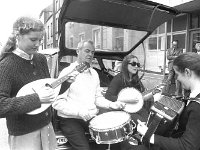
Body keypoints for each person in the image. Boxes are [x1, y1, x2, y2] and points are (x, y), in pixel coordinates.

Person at [52, 40, 125, 150]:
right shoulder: (67, 72)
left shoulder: (94, 74)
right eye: (87, 51)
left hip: (90, 117)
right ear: (78, 51)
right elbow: (57, 102)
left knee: (109, 142)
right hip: (70, 120)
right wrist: (79, 112)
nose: (90, 54)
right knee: (84, 148)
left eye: (92, 52)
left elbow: (97, 98)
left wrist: (111, 105)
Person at [0, 16, 57, 150]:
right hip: (24, 134)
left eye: (40, 40)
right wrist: (36, 99)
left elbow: (48, 89)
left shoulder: (41, 59)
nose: (37, 44)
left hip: (47, 128)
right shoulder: (6, 65)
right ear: (18, 36)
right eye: (33, 39)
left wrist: (68, 82)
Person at [128, 52, 200, 150]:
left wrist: (148, 134)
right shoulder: (194, 95)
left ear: (187, 72)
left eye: (177, 74)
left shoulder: (197, 106)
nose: (177, 78)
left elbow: (187, 146)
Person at [105, 54, 161, 150]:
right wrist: (126, 100)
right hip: (123, 110)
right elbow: (108, 96)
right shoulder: (118, 78)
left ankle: (145, 143)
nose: (136, 66)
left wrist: (152, 93)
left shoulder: (136, 80)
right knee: (142, 124)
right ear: (126, 65)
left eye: (138, 64)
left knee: (151, 123)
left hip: (138, 109)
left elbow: (141, 98)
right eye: (133, 64)